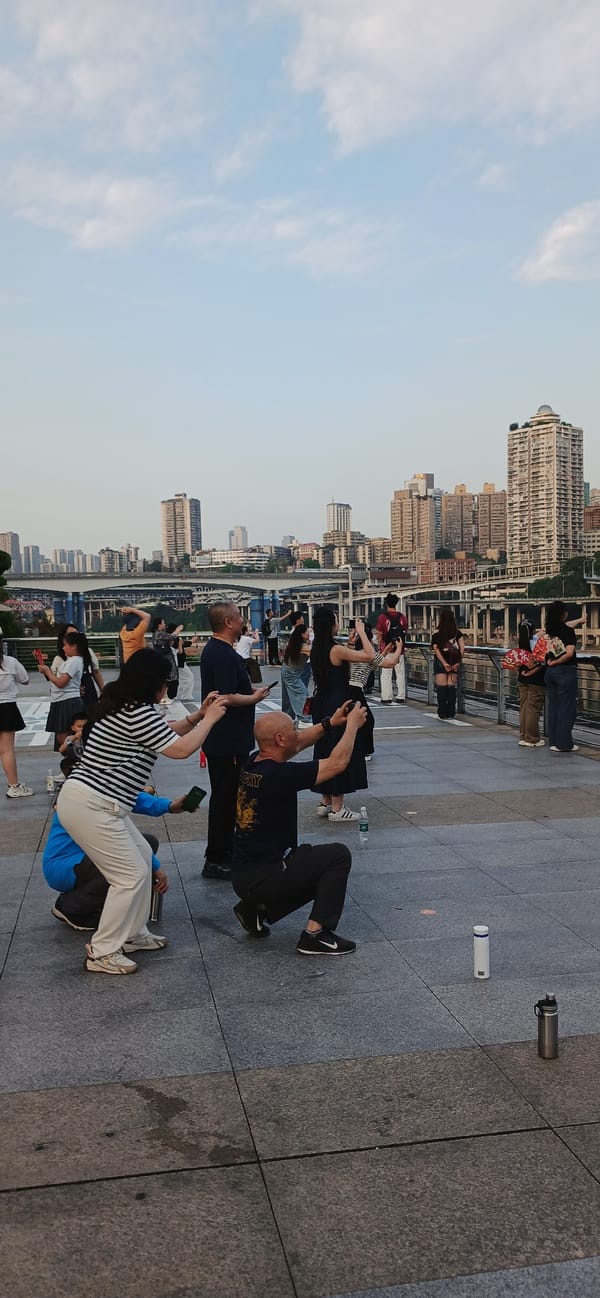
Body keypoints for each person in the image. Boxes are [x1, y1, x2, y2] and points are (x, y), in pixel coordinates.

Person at [56, 648, 226, 975]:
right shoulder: (137, 712)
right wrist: (211, 720)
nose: (167, 687)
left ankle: (132, 935)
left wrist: (196, 717)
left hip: (96, 802)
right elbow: (179, 750)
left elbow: (162, 735)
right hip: (92, 804)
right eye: (165, 681)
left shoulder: (123, 705)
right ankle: (103, 951)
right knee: (130, 875)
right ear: (153, 683)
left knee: (141, 864)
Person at [232, 701, 367, 954]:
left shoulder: (253, 763)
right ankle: (315, 935)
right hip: (265, 875)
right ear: (280, 739)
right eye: (293, 728)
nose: (298, 732)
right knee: (337, 856)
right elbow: (337, 764)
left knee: (309, 863)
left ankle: (254, 909)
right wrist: (352, 727)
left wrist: (329, 724)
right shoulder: (279, 776)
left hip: (244, 874)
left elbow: (297, 744)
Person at [44, 789, 194, 930]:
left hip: (88, 856)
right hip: (64, 864)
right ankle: (72, 907)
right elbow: (116, 836)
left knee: (147, 843)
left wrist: (170, 806)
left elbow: (131, 796)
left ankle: (99, 903)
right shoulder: (84, 795)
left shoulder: (103, 785)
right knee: (121, 862)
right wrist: (155, 867)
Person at [200, 602, 270, 879]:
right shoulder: (223, 654)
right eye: (240, 618)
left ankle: (224, 852)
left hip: (227, 737)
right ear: (228, 622)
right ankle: (218, 857)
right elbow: (225, 697)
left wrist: (247, 691)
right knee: (226, 799)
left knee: (227, 797)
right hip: (227, 739)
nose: (243, 622)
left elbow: (229, 690)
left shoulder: (218, 651)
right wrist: (252, 698)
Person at [310, 606, 373, 820]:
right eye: (335, 621)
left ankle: (325, 801)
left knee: (325, 750)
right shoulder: (335, 649)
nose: (338, 625)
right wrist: (362, 632)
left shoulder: (316, 648)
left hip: (322, 703)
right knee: (342, 749)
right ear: (330, 625)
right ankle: (338, 807)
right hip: (340, 703)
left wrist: (350, 644)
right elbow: (369, 655)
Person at [347, 625, 402, 760]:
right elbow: (391, 663)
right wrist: (399, 648)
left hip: (349, 689)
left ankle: (358, 749)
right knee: (367, 720)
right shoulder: (368, 655)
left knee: (358, 720)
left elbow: (370, 666)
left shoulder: (356, 652)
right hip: (355, 689)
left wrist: (384, 652)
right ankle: (364, 751)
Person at [0, 630, 33, 798]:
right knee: (6, 750)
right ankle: (14, 786)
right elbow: (25, 679)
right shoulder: (10, 662)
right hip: (6, 707)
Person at [38, 632, 85, 749]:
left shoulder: (73, 661)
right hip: (63, 700)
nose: (63, 648)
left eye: (65, 645)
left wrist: (48, 671)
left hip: (67, 701)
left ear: (74, 646)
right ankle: (72, 761)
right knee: (62, 736)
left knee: (64, 737)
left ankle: (74, 760)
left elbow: (61, 683)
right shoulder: (74, 661)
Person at [544, 600, 579, 754]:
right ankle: (565, 744)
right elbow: (569, 653)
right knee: (566, 708)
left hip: (550, 673)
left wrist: (551, 663)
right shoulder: (567, 632)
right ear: (563, 614)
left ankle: (554, 741)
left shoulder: (549, 633)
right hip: (565, 671)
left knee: (554, 707)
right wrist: (557, 662)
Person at [431, 608, 464, 720]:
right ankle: (451, 711)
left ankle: (442, 712)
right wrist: (457, 662)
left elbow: (436, 649)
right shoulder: (457, 633)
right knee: (451, 686)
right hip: (454, 661)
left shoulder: (436, 633)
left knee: (441, 688)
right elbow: (462, 649)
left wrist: (444, 663)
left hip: (440, 663)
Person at [517, 623, 545, 748]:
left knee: (524, 708)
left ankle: (523, 736)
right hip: (535, 680)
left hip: (522, 678)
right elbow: (540, 662)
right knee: (533, 709)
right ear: (533, 630)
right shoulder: (537, 643)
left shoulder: (522, 643)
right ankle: (532, 738)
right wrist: (531, 672)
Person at [377, 593, 408, 704]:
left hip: (387, 648)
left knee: (386, 673)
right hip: (399, 649)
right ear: (396, 603)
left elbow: (380, 633)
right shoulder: (402, 617)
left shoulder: (382, 617)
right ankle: (401, 696)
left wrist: (380, 646)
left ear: (386, 603)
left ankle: (386, 697)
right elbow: (405, 631)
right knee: (400, 673)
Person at [281, 624, 312, 724]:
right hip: (291, 673)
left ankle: (291, 718)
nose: (309, 634)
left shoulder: (296, 643)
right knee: (302, 693)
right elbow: (312, 652)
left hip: (289, 671)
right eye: (308, 632)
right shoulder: (303, 646)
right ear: (302, 634)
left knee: (292, 695)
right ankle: (304, 719)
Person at [152, 617, 181, 699]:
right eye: (163, 623)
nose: (165, 624)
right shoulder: (159, 633)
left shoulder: (157, 633)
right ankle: (169, 696)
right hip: (166, 659)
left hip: (163, 658)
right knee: (171, 678)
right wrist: (178, 630)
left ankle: (166, 696)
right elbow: (172, 636)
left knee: (166, 678)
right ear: (159, 625)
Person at [58, 711, 88, 778]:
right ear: (73, 728)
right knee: (65, 763)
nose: (82, 729)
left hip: (87, 760)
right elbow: (61, 749)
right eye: (79, 726)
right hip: (75, 760)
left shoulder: (90, 736)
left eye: (84, 726)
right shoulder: (71, 738)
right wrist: (73, 738)